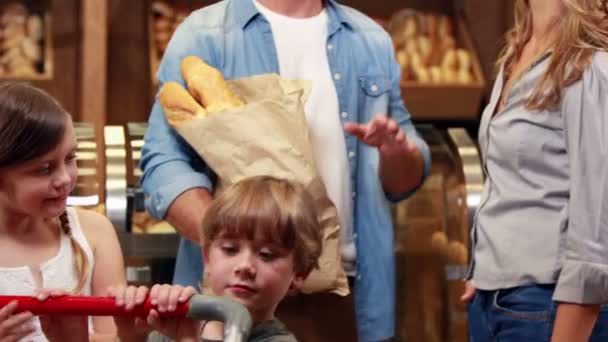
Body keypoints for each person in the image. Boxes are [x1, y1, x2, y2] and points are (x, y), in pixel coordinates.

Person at [140, 0, 431, 340]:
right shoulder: (206, 34)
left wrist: (395, 151)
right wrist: (241, 252)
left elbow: (404, 180)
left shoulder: (370, 39)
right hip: (234, 304)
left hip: (345, 297)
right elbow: (164, 165)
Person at [461, 0, 608, 341]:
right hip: (492, 301)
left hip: (548, 306)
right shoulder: (518, 49)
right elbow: (514, 183)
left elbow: (597, 231)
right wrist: (485, 271)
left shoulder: (588, 61)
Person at [110, 176, 324, 342]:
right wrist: (131, 336)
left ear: (299, 273)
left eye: (267, 255)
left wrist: (187, 338)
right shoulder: (164, 330)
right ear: (207, 258)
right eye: (230, 249)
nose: (245, 266)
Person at [0, 82, 126, 341]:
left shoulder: (94, 232)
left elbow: (116, 335)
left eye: (70, 158)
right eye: (44, 169)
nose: (65, 179)